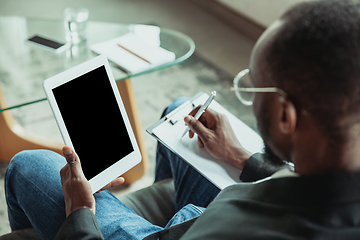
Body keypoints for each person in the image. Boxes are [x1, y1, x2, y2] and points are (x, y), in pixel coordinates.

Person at [5, 0, 360, 239]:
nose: (249, 97)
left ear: (285, 115)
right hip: (220, 208)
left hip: (191, 227)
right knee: (181, 111)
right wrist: (243, 159)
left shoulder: (233, 228)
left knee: (30, 165)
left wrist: (80, 212)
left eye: (253, 87)